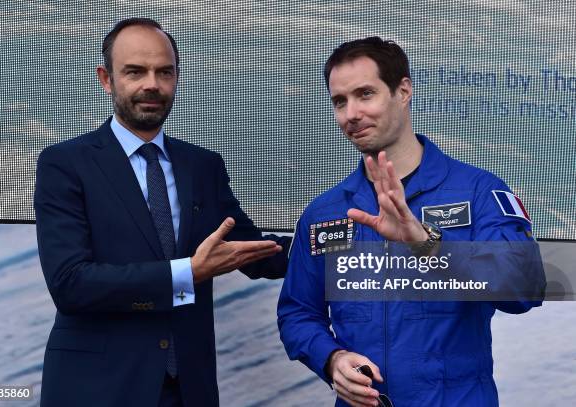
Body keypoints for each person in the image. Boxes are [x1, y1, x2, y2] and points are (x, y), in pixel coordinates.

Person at [34, 18, 289, 407]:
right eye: (135, 71)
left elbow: (256, 254)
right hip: (97, 390)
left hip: (190, 390)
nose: (152, 84)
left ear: (177, 78)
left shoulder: (203, 166)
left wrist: (347, 239)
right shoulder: (64, 164)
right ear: (107, 79)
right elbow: (70, 285)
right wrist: (188, 274)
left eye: (164, 72)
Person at [277, 37, 544, 407]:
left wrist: (425, 243)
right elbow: (298, 312)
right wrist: (331, 358)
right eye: (340, 101)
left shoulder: (479, 191)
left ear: (403, 91)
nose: (351, 113)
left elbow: (524, 290)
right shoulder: (326, 212)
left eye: (365, 94)